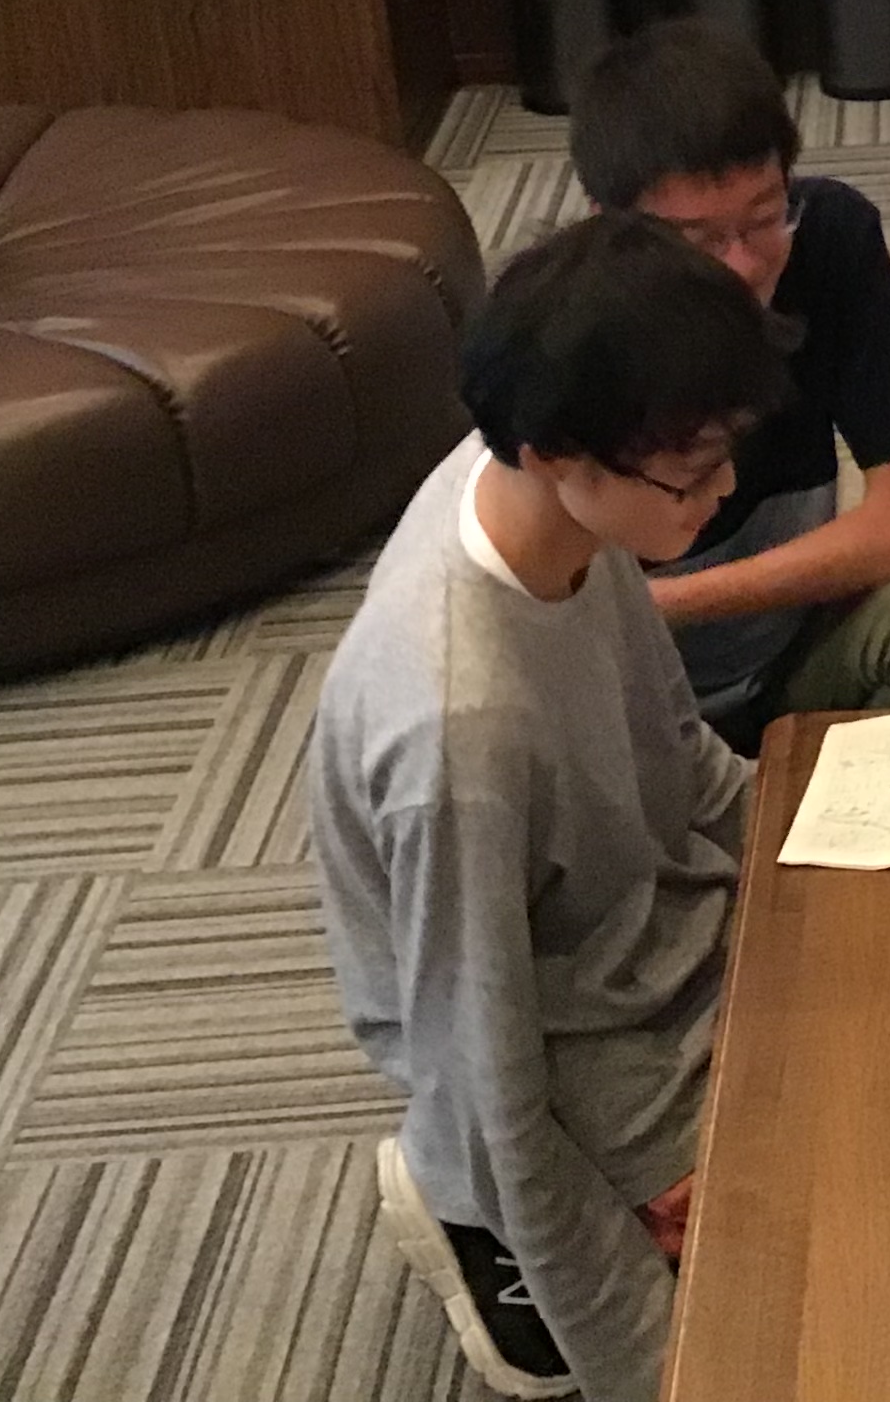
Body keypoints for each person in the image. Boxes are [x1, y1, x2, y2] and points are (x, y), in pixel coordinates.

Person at [312, 213, 791, 1402]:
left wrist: (831, 883)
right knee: (791, 1254)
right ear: (560, 455)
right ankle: (465, 1217)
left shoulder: (552, 500)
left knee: (874, 1048)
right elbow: (487, 1074)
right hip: (546, 1021)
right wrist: (655, 1368)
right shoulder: (458, 732)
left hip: (637, 916)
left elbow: (683, 761)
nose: (724, 491)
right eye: (692, 473)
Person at [570, 18, 890, 744]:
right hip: (623, 698)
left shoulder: (828, 237)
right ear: (609, 229)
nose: (744, 265)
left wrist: (663, 603)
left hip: (784, 658)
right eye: (700, 241)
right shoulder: (561, 339)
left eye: (764, 218)